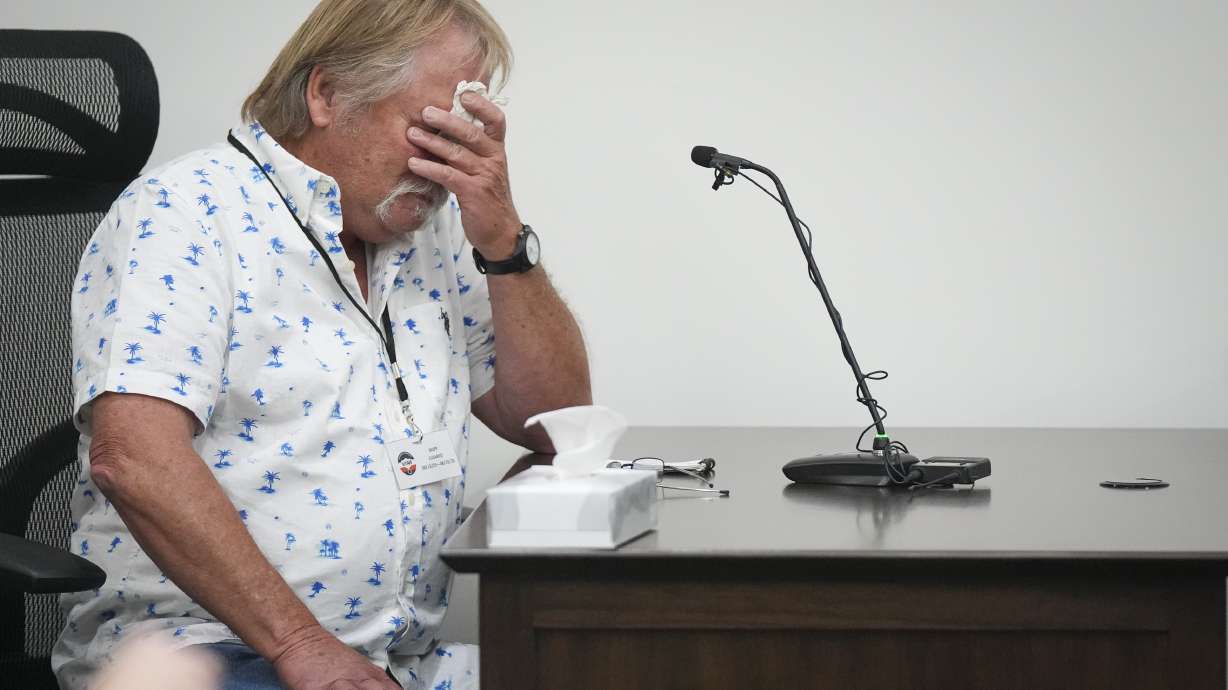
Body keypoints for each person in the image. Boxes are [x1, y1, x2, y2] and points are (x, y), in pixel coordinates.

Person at [53, 1, 592, 688]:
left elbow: (556, 423)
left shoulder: (430, 225)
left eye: (465, 135)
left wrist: (505, 241)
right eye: (430, 129)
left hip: (394, 663)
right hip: (201, 654)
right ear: (327, 94)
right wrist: (301, 645)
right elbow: (134, 459)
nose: (448, 163)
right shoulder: (184, 212)